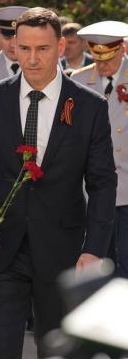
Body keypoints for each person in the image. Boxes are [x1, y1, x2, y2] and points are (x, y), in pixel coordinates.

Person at [0, 7, 116, 359]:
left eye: (42, 49)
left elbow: (103, 183)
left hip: (65, 254)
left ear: (60, 47)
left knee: (58, 356)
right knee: (0, 356)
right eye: (24, 48)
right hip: (1, 248)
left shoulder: (89, 105)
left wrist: (93, 249)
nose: (31, 58)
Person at [71, 20, 128, 278]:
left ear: (122, 49)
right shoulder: (79, 79)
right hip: (92, 185)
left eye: (109, 58)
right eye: (97, 57)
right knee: (97, 262)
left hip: (126, 185)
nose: (102, 65)